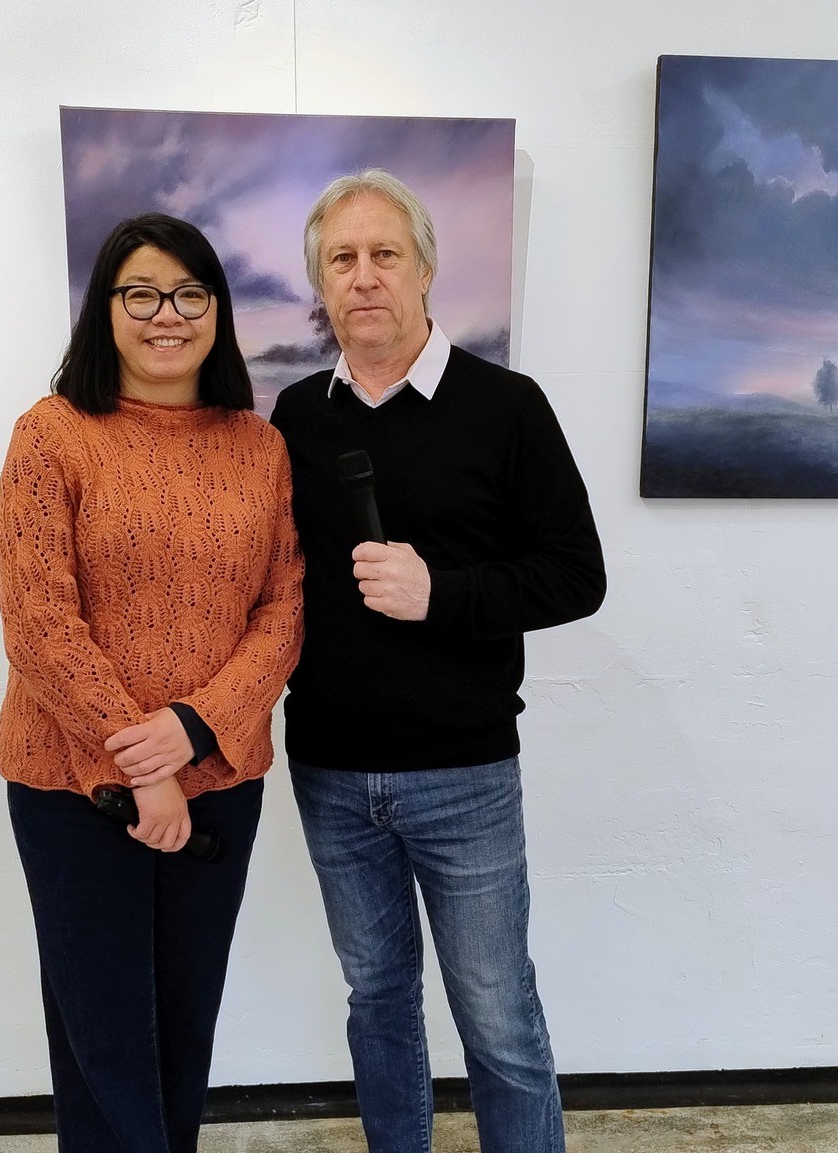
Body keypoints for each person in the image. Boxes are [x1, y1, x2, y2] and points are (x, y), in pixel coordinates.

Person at [270, 169, 606, 1153]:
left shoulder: (506, 407)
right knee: (377, 1001)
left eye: (385, 253)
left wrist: (442, 594)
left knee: (498, 1016)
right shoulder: (296, 416)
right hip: (330, 772)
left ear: (424, 269)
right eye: (342, 259)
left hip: (463, 773)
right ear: (321, 284)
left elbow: (576, 576)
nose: (364, 275)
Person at [0, 213, 303, 1153]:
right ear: (106, 310)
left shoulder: (259, 446)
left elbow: (284, 612)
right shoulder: (52, 435)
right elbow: (40, 623)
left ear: (217, 311)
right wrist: (144, 764)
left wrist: (194, 728)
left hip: (221, 784)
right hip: (72, 789)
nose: (167, 314)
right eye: (142, 294)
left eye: (189, 294)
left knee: (182, 1030)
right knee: (105, 1043)